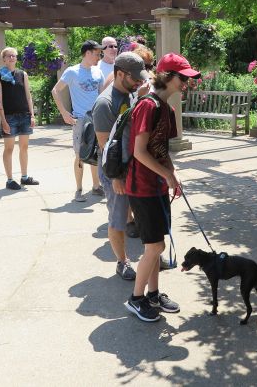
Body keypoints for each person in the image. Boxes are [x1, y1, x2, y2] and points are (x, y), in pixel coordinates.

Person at [123, 53, 200, 322]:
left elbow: (160, 149)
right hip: (141, 186)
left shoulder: (167, 109)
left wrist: (172, 173)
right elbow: (140, 152)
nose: (186, 84)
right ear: (167, 76)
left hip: (157, 186)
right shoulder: (148, 106)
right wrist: (166, 176)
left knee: (157, 244)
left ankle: (153, 294)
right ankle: (136, 299)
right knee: (154, 246)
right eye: (183, 78)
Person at [93, 52, 150, 281]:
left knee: (144, 213)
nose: (138, 81)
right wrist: (116, 178)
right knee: (118, 218)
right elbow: (106, 145)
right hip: (114, 170)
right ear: (119, 74)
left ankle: (152, 254)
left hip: (134, 166)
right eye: (134, 77)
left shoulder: (132, 93)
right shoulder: (104, 104)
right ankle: (122, 262)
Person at [51, 40, 105, 202]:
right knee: (80, 155)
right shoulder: (72, 72)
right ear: (87, 53)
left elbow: (102, 96)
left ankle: (96, 187)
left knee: (97, 153)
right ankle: (79, 190)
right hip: (81, 119)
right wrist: (64, 113)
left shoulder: (98, 72)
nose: (99, 56)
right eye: (97, 53)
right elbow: (56, 90)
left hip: (96, 118)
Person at [0, 47, 38, 190]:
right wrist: (3, 121)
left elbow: (28, 96)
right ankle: (9, 179)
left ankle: (24, 177)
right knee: (9, 148)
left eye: (14, 55)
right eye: (9, 56)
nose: (12, 58)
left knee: (24, 147)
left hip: (24, 115)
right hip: (9, 116)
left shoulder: (22, 74)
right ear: (4, 59)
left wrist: (32, 115)